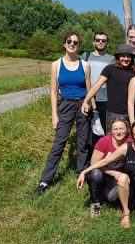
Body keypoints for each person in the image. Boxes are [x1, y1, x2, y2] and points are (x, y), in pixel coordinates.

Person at [32, 31, 91, 197]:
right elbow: (53, 92)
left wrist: (89, 105)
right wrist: (54, 115)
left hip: (82, 105)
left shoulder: (85, 65)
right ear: (64, 44)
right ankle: (45, 181)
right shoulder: (56, 65)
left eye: (76, 42)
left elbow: (88, 88)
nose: (72, 44)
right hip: (65, 106)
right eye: (69, 41)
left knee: (82, 143)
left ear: (79, 45)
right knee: (59, 144)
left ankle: (82, 173)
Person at [81, 44, 135, 131]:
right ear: (118, 57)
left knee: (130, 141)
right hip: (113, 112)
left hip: (132, 113)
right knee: (113, 140)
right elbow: (96, 86)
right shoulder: (109, 69)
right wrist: (86, 100)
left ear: (132, 58)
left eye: (128, 56)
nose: (126, 59)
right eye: (123, 56)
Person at [86, 116, 131, 218]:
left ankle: (103, 195)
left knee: (111, 199)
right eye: (115, 129)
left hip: (117, 179)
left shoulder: (130, 142)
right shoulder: (104, 141)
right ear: (111, 131)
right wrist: (113, 172)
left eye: (121, 129)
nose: (118, 132)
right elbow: (94, 163)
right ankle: (95, 203)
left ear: (126, 129)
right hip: (103, 174)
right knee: (95, 174)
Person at [81, 31, 114, 145]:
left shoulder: (112, 59)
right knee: (87, 130)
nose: (100, 42)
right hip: (87, 98)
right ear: (93, 42)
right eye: (98, 40)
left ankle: (103, 156)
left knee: (102, 129)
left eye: (103, 40)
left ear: (107, 44)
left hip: (105, 99)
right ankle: (89, 157)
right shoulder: (86, 56)